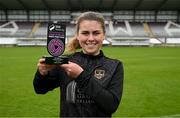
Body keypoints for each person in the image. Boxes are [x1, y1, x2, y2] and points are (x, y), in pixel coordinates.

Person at [33, 11, 124, 117]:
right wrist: (42, 74)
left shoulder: (114, 65)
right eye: (85, 33)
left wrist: (81, 76)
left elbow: (111, 105)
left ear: (103, 35)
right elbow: (40, 89)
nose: (91, 38)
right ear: (77, 35)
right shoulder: (65, 62)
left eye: (96, 33)